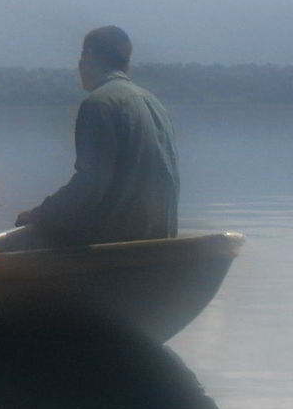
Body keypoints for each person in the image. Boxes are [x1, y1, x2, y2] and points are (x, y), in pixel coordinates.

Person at [14, 26, 178, 246]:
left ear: (88, 58)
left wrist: (39, 215)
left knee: (13, 244)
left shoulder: (99, 103)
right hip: (161, 232)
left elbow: (91, 184)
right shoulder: (153, 102)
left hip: (118, 237)